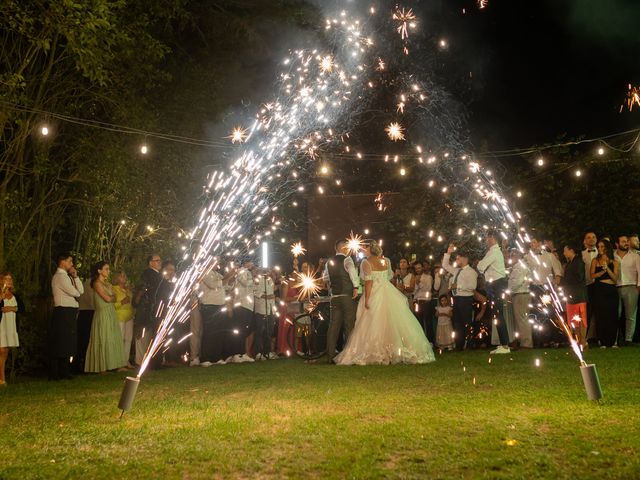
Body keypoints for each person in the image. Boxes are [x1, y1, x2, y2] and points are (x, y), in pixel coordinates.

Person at [334, 241, 435, 365]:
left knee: (374, 321)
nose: (363, 250)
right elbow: (389, 277)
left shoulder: (366, 262)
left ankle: (378, 350)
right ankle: (393, 349)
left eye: (365, 248)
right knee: (391, 321)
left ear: (370, 249)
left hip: (375, 292)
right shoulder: (385, 261)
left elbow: (369, 282)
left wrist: (367, 299)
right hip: (388, 291)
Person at [84, 261, 126, 373]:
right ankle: (101, 366)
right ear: (99, 271)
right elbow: (107, 298)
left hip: (110, 313)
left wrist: (112, 297)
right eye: (106, 269)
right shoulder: (96, 283)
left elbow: (114, 297)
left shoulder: (108, 284)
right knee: (103, 337)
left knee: (112, 337)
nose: (108, 271)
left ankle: (115, 364)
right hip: (102, 314)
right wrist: (111, 297)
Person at [323, 239, 360, 363]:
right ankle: (348, 356)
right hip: (346, 296)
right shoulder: (347, 259)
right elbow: (353, 275)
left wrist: (332, 290)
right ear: (342, 248)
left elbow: (325, 279)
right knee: (349, 325)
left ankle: (330, 355)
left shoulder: (329, 262)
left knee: (333, 327)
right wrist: (356, 287)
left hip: (334, 297)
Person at [49, 254, 83, 380]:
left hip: (69, 311)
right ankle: (56, 372)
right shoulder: (60, 277)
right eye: (69, 261)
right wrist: (75, 287)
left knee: (67, 341)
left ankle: (64, 371)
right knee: (61, 340)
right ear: (62, 262)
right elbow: (75, 292)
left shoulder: (67, 277)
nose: (72, 264)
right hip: (63, 311)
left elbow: (81, 291)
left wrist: (75, 277)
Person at [477, 231, 510, 354]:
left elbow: (480, 266)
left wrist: (481, 265)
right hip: (495, 284)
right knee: (497, 314)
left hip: (496, 285)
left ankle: (505, 345)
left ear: (492, 239)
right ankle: (503, 344)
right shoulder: (494, 252)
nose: (486, 240)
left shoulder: (494, 252)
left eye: (487, 238)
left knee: (498, 314)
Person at [442, 244, 477, 351]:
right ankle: (459, 345)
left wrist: (458, 286)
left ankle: (470, 344)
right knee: (457, 323)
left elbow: (472, 286)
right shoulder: (457, 270)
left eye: (458, 258)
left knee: (467, 323)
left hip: (465, 299)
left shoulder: (471, 272)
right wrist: (448, 253)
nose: (456, 260)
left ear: (464, 258)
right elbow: (445, 266)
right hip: (456, 299)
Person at [133, 254, 163, 366]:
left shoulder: (157, 275)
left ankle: (146, 360)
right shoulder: (148, 274)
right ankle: (140, 360)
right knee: (143, 333)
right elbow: (142, 290)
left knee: (149, 333)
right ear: (150, 262)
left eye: (160, 260)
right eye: (157, 260)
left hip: (152, 308)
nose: (160, 262)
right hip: (146, 308)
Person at [590, 240, 620, 348]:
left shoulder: (615, 261)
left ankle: (612, 341)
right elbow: (592, 275)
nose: (600, 248)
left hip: (611, 289)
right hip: (599, 289)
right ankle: (602, 341)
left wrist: (607, 269)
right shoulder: (595, 260)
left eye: (602, 246)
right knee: (601, 315)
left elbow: (616, 279)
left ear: (607, 248)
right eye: (599, 246)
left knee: (612, 315)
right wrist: (602, 271)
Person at [196, 265, 227, 365]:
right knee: (210, 331)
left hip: (220, 304)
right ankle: (205, 358)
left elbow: (226, 285)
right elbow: (212, 285)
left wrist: (231, 278)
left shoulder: (217, 274)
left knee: (218, 331)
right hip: (209, 304)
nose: (217, 263)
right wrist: (228, 276)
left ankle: (216, 356)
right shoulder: (205, 271)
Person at [614, 235, 640, 345]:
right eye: (623, 241)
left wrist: (638, 287)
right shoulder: (612, 255)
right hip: (615, 287)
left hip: (631, 287)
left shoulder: (635, 256)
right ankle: (615, 339)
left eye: (627, 241)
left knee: (631, 316)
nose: (626, 243)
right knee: (616, 314)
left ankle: (628, 339)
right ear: (617, 244)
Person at [561, 244, 588, 349]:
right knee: (574, 319)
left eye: (565, 250)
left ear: (571, 250)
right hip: (571, 295)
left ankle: (583, 340)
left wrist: (563, 281)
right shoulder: (569, 264)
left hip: (579, 295)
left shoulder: (579, 262)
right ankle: (578, 340)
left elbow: (579, 278)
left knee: (581, 319)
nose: (564, 253)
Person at [507, 249, 533, 348]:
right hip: (521, 294)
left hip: (520, 294)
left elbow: (517, 282)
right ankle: (522, 341)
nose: (510, 258)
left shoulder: (520, 267)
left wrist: (509, 291)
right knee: (521, 319)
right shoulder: (519, 266)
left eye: (512, 255)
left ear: (517, 256)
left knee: (522, 319)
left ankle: (526, 343)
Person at [253, 268, 278, 360]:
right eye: (266, 271)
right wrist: (266, 296)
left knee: (269, 331)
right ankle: (258, 353)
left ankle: (267, 352)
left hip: (271, 308)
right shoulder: (257, 279)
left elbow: (272, 291)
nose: (268, 272)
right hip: (261, 309)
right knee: (259, 331)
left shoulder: (270, 280)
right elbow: (254, 291)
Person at [113, 271, 135, 368]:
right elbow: (111, 305)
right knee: (120, 339)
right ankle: (119, 362)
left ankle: (126, 361)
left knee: (128, 339)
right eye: (122, 276)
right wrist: (121, 302)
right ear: (117, 278)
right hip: (120, 316)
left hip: (129, 317)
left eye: (125, 275)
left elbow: (132, 303)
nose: (124, 277)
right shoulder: (114, 289)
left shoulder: (128, 290)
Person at [0, 272, 19, 386]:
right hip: (1, 324)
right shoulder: (1, 293)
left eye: (11, 279)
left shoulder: (13, 294)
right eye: (7, 279)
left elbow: (17, 308)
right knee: (1, 350)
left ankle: (2, 377)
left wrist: (11, 308)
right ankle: (2, 378)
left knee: (5, 351)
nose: (9, 281)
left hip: (10, 324)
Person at [73, 273, 94, 373]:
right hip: (87, 313)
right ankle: (80, 364)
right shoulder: (91, 284)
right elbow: (91, 301)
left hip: (84, 313)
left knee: (82, 340)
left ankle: (80, 364)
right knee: (84, 340)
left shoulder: (87, 284)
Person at [581, 231, 598, 343]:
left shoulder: (602, 252)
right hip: (587, 286)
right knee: (587, 311)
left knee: (600, 311)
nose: (591, 239)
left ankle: (599, 337)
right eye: (588, 237)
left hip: (601, 285)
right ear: (585, 241)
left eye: (593, 237)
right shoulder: (582, 254)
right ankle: (587, 338)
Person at [412, 261, 434, 343]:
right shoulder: (414, 277)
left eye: (419, 268)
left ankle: (430, 341)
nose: (417, 270)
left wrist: (419, 283)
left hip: (426, 302)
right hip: (417, 302)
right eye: (416, 268)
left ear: (423, 268)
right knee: (418, 322)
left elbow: (428, 289)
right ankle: (421, 342)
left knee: (428, 322)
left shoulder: (428, 277)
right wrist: (417, 284)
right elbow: (413, 292)